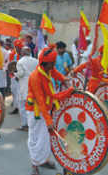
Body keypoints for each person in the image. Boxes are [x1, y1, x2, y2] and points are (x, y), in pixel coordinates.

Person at [26, 46, 74, 175]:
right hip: (36, 111)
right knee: (36, 138)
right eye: (52, 64)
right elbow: (41, 101)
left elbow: (55, 73)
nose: (54, 66)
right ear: (45, 63)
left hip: (46, 109)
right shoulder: (35, 77)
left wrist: (64, 79)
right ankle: (35, 164)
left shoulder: (47, 68)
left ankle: (44, 160)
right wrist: (48, 121)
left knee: (46, 137)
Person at [15, 46, 38, 131]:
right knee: (33, 106)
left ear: (22, 53)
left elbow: (20, 74)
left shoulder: (20, 62)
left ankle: (25, 125)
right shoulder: (36, 61)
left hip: (25, 86)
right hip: (34, 86)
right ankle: (32, 124)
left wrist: (15, 74)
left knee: (23, 107)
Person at [9, 39, 24, 115]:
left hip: (21, 78)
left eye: (19, 47)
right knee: (14, 92)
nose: (17, 48)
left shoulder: (24, 56)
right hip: (14, 77)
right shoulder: (14, 55)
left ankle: (20, 109)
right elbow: (12, 65)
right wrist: (12, 72)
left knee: (20, 94)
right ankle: (16, 107)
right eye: (16, 47)